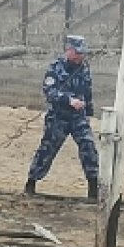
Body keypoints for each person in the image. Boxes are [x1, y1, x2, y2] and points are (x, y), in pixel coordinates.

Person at [26, 34, 99, 199]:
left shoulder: (84, 67)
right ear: (69, 50)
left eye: (83, 53)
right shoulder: (56, 67)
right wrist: (68, 100)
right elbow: (49, 92)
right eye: (78, 52)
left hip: (79, 117)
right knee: (47, 150)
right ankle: (31, 183)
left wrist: (88, 113)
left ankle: (93, 189)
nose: (81, 56)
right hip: (58, 116)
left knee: (89, 148)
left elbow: (87, 91)